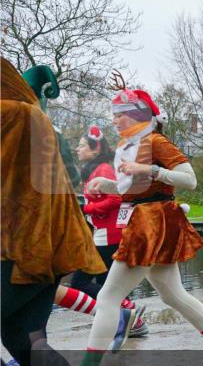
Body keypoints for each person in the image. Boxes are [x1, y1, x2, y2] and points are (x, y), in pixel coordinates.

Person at [81, 81, 203, 366]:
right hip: (150, 221)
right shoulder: (132, 146)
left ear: (137, 116)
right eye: (113, 114)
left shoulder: (156, 141)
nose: (114, 120)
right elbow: (138, 190)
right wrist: (107, 186)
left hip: (151, 224)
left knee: (107, 299)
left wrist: (149, 169)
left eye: (119, 114)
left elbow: (189, 180)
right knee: (173, 295)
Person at [1, 59, 105, 366]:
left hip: (19, 249)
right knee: (23, 337)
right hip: (45, 249)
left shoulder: (11, 116)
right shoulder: (30, 115)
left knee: (25, 338)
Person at [49, 125, 148, 348]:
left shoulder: (103, 169)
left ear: (95, 149)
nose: (77, 149)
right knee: (106, 285)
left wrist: (86, 209)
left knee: (81, 282)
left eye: (82, 145)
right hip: (102, 234)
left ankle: (129, 314)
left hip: (110, 235)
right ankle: (131, 320)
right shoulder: (94, 169)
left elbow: (116, 199)